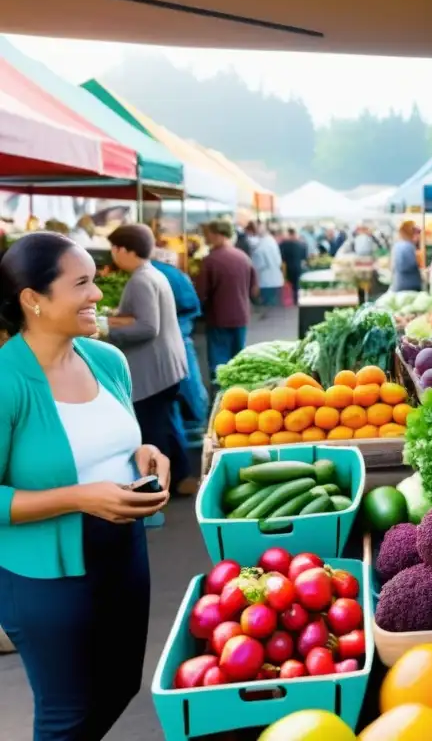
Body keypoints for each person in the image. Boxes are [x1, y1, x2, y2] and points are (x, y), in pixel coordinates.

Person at [0, 231, 170, 739]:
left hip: (122, 555)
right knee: (66, 713)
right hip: (45, 579)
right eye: (82, 284)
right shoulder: (7, 382)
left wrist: (144, 456)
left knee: (120, 686)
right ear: (33, 300)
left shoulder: (107, 360)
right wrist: (78, 498)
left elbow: (115, 443)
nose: (99, 295)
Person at [106, 224, 192, 493]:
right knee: (166, 423)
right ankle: (180, 477)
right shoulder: (153, 273)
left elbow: (147, 327)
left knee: (154, 429)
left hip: (152, 371)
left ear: (123, 249)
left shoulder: (141, 280)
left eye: (113, 249)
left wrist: (108, 330)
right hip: (166, 366)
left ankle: (162, 485)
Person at [151, 254, 208, 488]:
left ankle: (195, 433)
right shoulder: (165, 272)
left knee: (181, 395)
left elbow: (148, 326)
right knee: (187, 390)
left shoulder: (149, 276)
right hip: (181, 333)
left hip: (174, 338)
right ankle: (196, 430)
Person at [197, 219, 259, 382]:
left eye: (208, 234)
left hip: (219, 318)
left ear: (217, 234)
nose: (206, 238)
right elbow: (254, 289)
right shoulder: (243, 257)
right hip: (241, 316)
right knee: (238, 359)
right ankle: (238, 394)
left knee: (219, 363)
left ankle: (221, 398)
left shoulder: (210, 260)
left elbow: (201, 293)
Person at [248, 223, 284, 306]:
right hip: (275, 280)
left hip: (265, 281)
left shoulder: (261, 246)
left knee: (268, 308)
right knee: (274, 307)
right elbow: (279, 261)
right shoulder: (271, 241)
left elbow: (258, 266)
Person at [390, 220, 423, 292]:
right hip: (408, 285)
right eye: (416, 233)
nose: (418, 237)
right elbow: (408, 265)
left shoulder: (397, 245)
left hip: (399, 283)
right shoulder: (408, 246)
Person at [279, 227, 309, 306]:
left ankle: (289, 300)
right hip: (298, 267)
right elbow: (304, 257)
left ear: (288, 234)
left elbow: (282, 257)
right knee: (297, 285)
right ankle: (297, 299)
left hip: (288, 268)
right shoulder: (302, 244)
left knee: (289, 284)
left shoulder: (283, 244)